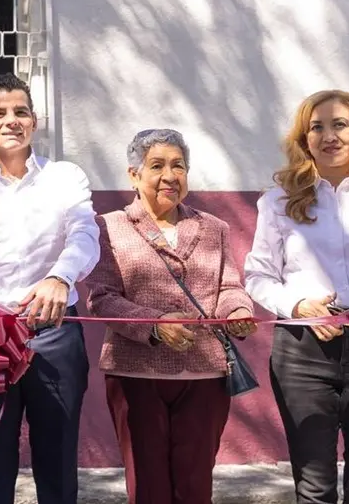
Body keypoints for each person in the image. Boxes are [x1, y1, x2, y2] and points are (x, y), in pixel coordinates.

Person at [244, 90, 349, 504]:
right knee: (314, 488)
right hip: (303, 353)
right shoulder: (279, 201)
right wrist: (297, 306)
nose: (329, 135)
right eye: (316, 127)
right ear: (304, 139)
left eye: (339, 124)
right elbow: (258, 275)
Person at [0, 72, 98, 504]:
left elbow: (84, 236)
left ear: (34, 122)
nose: (11, 120)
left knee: (59, 464)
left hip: (55, 336)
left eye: (21, 112)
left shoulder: (65, 177)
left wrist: (59, 277)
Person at [87, 128, 257, 504]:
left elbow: (228, 287)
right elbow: (102, 298)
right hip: (137, 372)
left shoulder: (214, 228)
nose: (170, 176)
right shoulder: (108, 227)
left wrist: (239, 310)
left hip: (205, 372)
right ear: (134, 174)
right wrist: (155, 324)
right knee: (149, 485)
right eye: (157, 166)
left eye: (178, 166)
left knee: (195, 484)